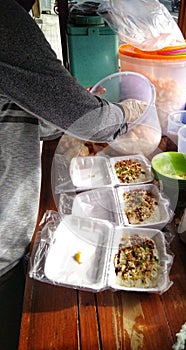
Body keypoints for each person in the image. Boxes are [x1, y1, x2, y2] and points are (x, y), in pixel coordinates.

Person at [0, 1, 128, 348]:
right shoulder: (6, 20)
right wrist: (125, 115)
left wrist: (68, 106)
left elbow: (21, 115)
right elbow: (85, 120)